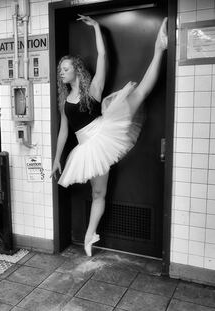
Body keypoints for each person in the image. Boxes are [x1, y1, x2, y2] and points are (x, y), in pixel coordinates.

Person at [51, 15, 168, 256]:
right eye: (60, 69)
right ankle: (90, 235)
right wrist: (56, 159)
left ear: (76, 71)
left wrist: (96, 28)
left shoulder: (93, 88)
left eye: (65, 68)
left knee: (141, 92)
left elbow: (103, 56)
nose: (61, 72)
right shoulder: (64, 100)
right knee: (98, 193)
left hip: (104, 133)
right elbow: (64, 130)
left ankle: (159, 49)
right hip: (86, 147)